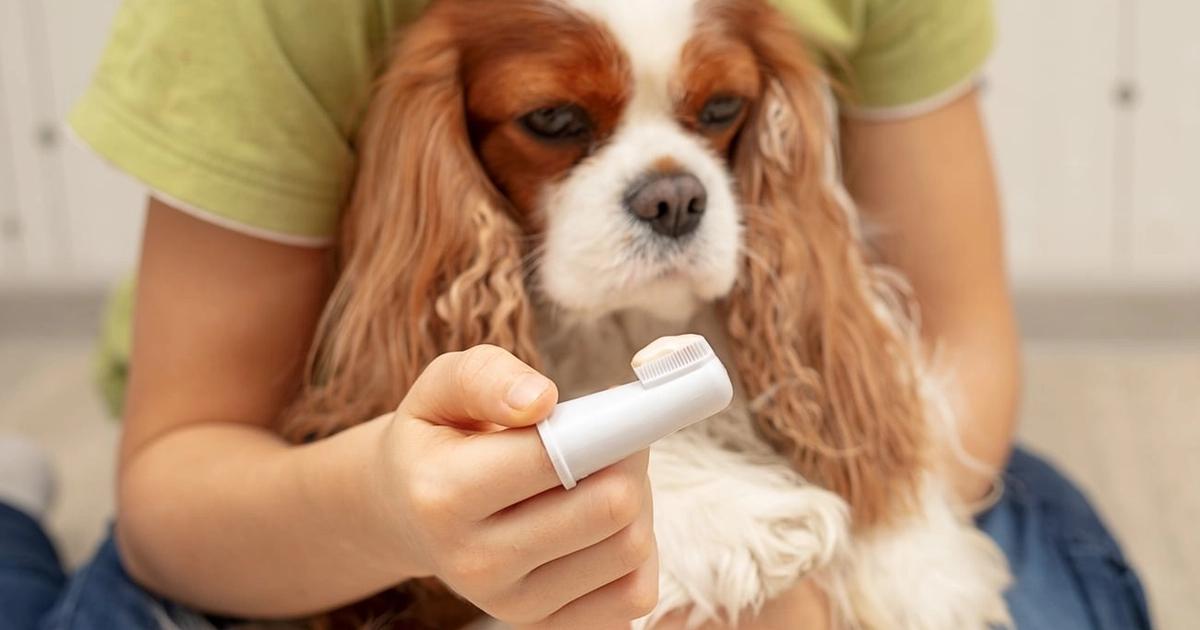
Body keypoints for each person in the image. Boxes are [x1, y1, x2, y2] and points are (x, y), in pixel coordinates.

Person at [1, 0, 1151, 628]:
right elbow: (182, 494)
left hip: (777, 436)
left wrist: (815, 584)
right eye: (558, 122)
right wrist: (395, 513)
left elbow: (953, 352)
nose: (672, 182)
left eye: (714, 118)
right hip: (298, 481)